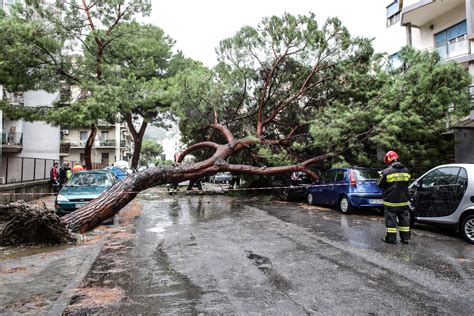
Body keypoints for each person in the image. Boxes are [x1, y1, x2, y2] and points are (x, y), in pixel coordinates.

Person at [377, 151, 411, 244]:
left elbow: (379, 185)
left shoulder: (387, 171)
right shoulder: (406, 170)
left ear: (388, 159)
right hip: (403, 201)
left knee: (391, 220)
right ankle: (405, 239)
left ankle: (391, 239)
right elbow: (406, 183)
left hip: (390, 201)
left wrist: (380, 175)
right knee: (404, 220)